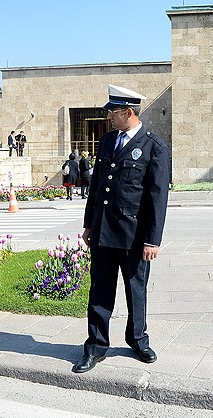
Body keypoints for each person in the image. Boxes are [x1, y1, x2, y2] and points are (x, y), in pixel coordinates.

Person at [74, 84, 169, 373]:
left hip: (135, 235)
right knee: (100, 291)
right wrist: (89, 224)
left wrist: (152, 241)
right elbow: (97, 188)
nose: (109, 117)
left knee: (135, 290)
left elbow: (157, 198)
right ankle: (96, 346)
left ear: (128, 112)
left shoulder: (154, 146)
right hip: (103, 231)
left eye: (112, 112)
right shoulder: (107, 141)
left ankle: (138, 340)